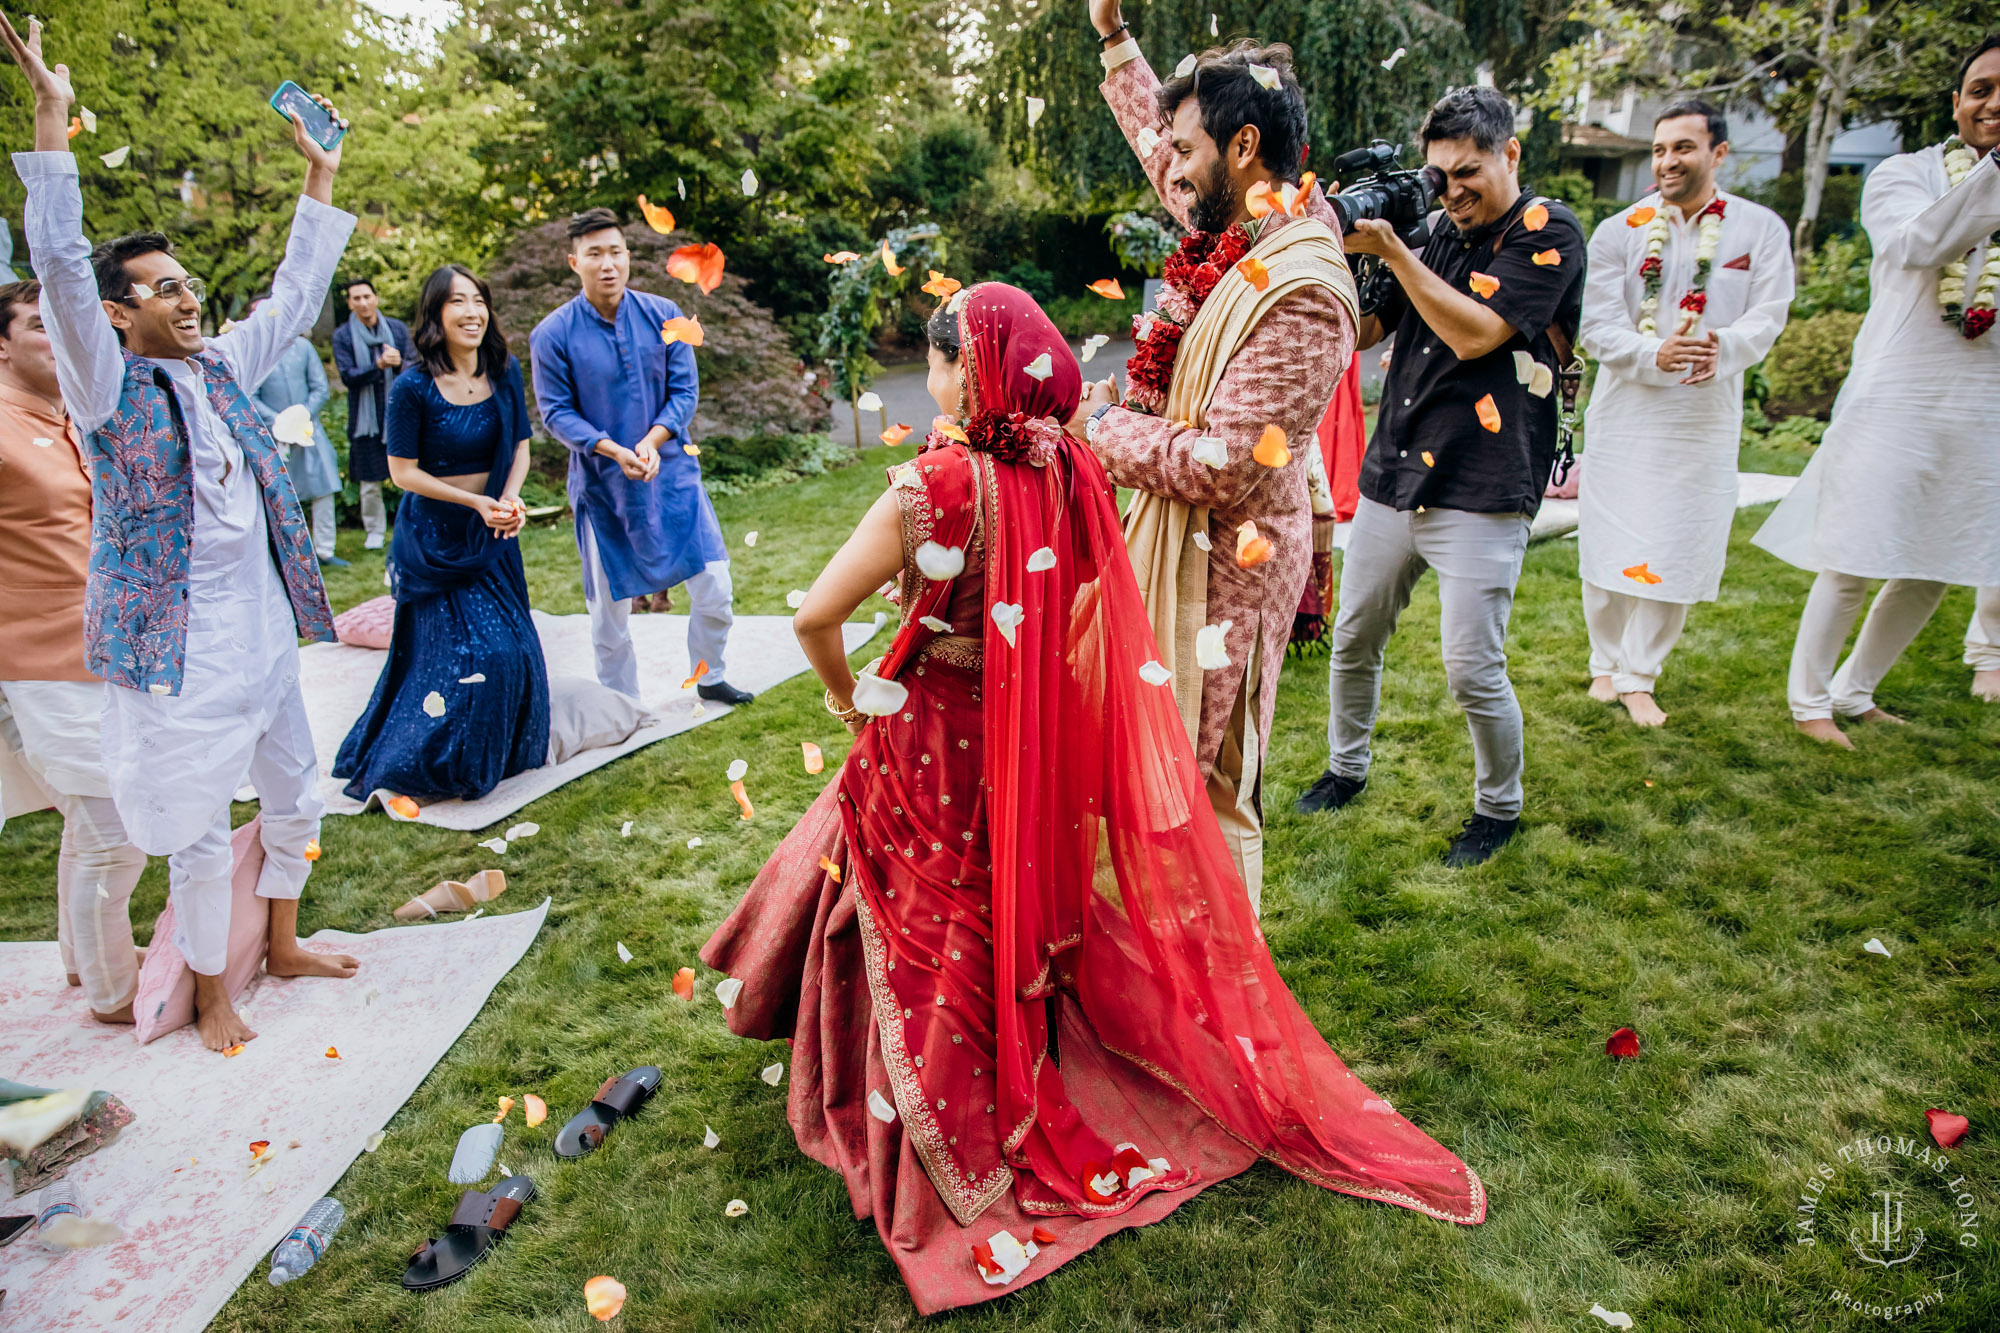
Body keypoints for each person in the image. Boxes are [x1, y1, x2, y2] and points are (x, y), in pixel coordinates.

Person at [702, 284, 1484, 1316]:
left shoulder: (930, 487)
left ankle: (930, 1113)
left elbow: (814, 615)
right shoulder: (1065, 469)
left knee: (918, 905)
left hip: (926, 728)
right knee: (986, 899)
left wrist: (855, 700)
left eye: (937, 364)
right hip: (1017, 731)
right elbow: (1072, 597)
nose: (931, 381)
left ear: (956, 371)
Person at [5, 11, 359, 1052]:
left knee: (297, 790)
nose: (187, 295)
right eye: (162, 287)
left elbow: (295, 299)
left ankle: (283, 941)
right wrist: (50, 120)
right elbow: (64, 269)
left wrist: (321, 178)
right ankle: (211, 993)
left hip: (261, 639)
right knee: (199, 833)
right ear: (119, 315)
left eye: (186, 280)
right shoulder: (105, 387)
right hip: (174, 658)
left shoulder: (220, 368)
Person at [1075, 9, 1359, 911]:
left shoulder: (1305, 290)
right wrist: (1114, 37)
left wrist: (1100, 428)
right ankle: (1146, 970)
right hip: (1180, 541)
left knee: (1203, 784)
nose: (1174, 166)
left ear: (1242, 148)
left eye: (1192, 149)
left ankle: (1216, 1002)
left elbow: (1221, 464)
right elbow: (1158, 147)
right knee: (1147, 776)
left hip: (1233, 569)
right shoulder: (1242, 227)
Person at [1294, 84, 1587, 867]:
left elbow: (1476, 334)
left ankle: (1499, 807)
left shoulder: (1546, 230)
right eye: (1440, 176)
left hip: (1485, 484)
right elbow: (1362, 330)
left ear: (1509, 153)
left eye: (1468, 173)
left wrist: (1395, 251)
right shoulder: (1432, 230)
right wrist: (1321, 253)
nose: (1453, 192)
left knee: (1471, 667)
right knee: (1354, 638)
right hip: (1395, 471)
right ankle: (1345, 768)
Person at [1754, 35, 2000, 745]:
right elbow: (1919, 246)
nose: (1993, 102)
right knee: (1857, 553)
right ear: (1956, 103)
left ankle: (1856, 691)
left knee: (1938, 563)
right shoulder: (1904, 174)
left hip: (1982, 403)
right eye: (1980, 88)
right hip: (1898, 396)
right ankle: (1809, 703)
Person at [1576, 100, 1793, 727]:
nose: (1669, 160)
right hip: (1626, 410)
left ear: (1718, 153)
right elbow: (1598, 327)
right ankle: (1603, 662)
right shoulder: (1620, 229)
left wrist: (1721, 346)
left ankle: (1640, 675)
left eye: (1684, 148)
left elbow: (1770, 312)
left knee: (1676, 538)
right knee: (1611, 536)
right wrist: (1653, 351)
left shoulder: (1759, 230)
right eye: (1660, 149)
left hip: (1703, 411)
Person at [333, 264, 547, 805]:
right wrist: (475, 501)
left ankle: (497, 754)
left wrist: (509, 499)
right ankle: (434, 758)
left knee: (517, 652)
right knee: (477, 656)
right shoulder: (412, 387)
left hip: (493, 535)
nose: (472, 312)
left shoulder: (504, 370)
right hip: (434, 540)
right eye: (458, 302)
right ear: (435, 314)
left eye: (479, 300)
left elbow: (520, 445)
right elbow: (401, 473)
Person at [0, 277, 149, 1023]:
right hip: (34, 658)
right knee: (114, 834)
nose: (57, 341)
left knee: (92, 820)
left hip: (101, 651)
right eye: (37, 327)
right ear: (1, 343)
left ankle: (79, 957)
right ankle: (114, 991)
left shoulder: (75, 418)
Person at [529, 208, 751, 704]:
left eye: (615, 252)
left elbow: (684, 391)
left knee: (715, 585)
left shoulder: (664, 314)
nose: (607, 264)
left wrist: (650, 443)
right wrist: (612, 450)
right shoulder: (552, 334)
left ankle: (710, 674)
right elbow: (556, 413)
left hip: (672, 475)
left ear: (628, 256)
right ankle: (621, 702)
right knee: (610, 609)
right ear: (574, 262)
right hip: (603, 488)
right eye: (594, 255)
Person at [247, 291, 345, 567]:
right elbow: (250, 395)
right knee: (281, 492)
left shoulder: (302, 348)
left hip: (308, 429)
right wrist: (278, 421)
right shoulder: (255, 354)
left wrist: (302, 416)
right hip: (273, 434)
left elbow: (319, 388)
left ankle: (325, 550)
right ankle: (291, 551)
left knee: (323, 486)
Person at [331, 276, 415, 552]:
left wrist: (399, 362)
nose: (363, 302)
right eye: (356, 298)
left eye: (367, 296)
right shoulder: (343, 336)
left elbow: (415, 365)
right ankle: (375, 530)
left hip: (400, 412)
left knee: (411, 472)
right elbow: (347, 376)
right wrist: (378, 366)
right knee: (370, 481)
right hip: (365, 419)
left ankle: (414, 522)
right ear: (350, 303)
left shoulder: (397, 329)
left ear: (376, 298)